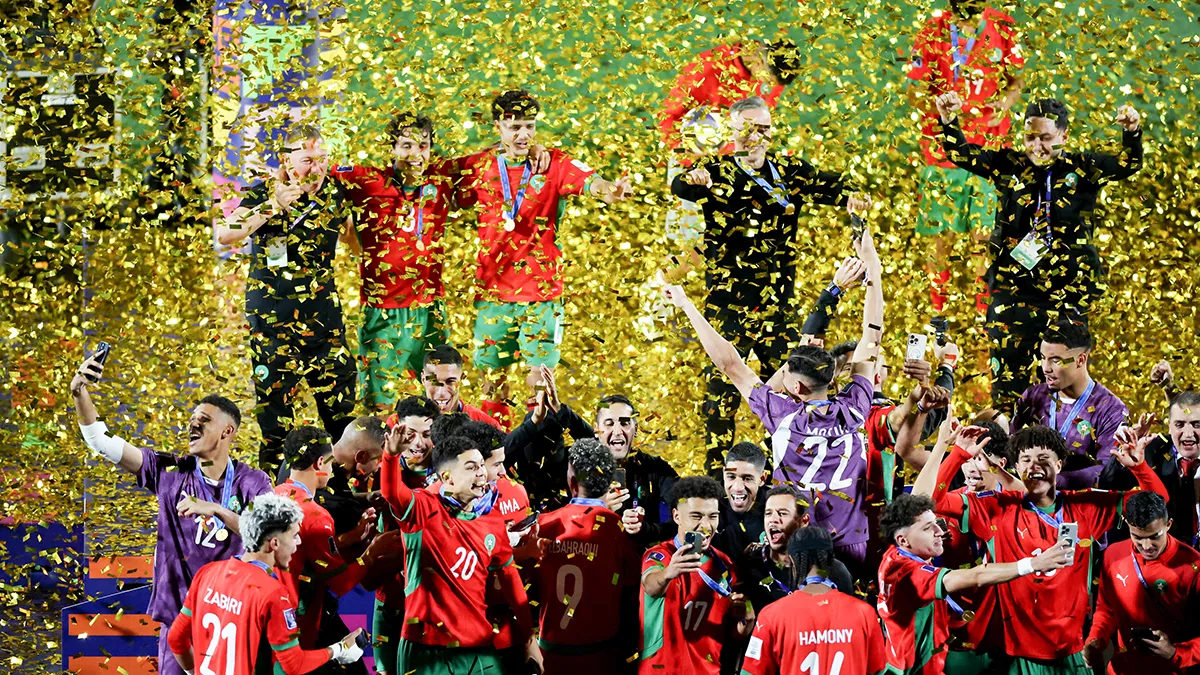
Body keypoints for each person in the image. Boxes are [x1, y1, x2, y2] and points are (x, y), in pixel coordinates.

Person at [662, 228, 883, 577]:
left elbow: (730, 364)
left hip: (796, 543)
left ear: (795, 386)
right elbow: (872, 334)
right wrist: (872, 264)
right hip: (852, 543)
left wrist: (687, 304)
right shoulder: (856, 404)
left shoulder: (783, 415)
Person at [669, 96, 869, 471]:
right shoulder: (716, 169)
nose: (755, 136)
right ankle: (718, 481)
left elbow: (835, 186)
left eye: (763, 128)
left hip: (779, 307)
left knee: (792, 394)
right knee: (720, 398)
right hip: (727, 305)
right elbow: (684, 185)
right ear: (731, 132)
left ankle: (784, 474)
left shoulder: (790, 171)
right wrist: (692, 180)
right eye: (747, 127)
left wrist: (853, 196)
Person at [933, 91, 1143, 406]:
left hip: (1067, 293)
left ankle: (1063, 446)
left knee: (1066, 384)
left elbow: (1127, 164)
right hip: (1013, 292)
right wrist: (948, 120)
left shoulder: (1082, 167)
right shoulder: (1008, 164)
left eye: (1045, 138)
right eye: (1030, 137)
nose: (1036, 146)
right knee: (1009, 382)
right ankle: (1008, 446)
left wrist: (1131, 132)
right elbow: (963, 154)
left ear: (1064, 135)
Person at [70, 351, 272, 675]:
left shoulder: (253, 481)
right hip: (181, 621)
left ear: (227, 432)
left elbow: (267, 536)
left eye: (204, 419)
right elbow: (101, 442)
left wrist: (217, 510)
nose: (193, 423)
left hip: (233, 619)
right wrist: (80, 391)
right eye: (192, 419)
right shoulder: (170, 471)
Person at [929, 425, 1169, 673]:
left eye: (1043, 459)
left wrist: (1139, 468)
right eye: (1026, 460)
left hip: (1072, 654)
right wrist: (957, 454)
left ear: (1058, 465)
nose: (1034, 466)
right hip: (1017, 658)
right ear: (1018, 468)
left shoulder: (1086, 506)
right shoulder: (996, 508)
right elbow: (931, 501)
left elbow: (1157, 505)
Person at [458, 89, 632, 422]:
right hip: (492, 294)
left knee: (539, 383)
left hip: (541, 294)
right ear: (498, 126)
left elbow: (593, 183)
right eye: (515, 127)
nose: (523, 135)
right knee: (491, 385)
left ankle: (533, 455)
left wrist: (611, 191)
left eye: (529, 126)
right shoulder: (478, 166)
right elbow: (432, 179)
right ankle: (497, 453)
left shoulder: (554, 163)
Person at [216, 124, 357, 474]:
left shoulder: (336, 194)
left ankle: (342, 497)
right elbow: (226, 233)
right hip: (274, 328)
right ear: (286, 160)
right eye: (308, 160)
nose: (317, 168)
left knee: (340, 416)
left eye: (323, 160)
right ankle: (274, 496)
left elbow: (355, 239)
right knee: (276, 424)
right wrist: (271, 206)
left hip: (324, 323)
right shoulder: (263, 192)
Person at [378, 434, 540, 674]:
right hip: (427, 648)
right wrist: (391, 456)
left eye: (481, 466)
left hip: (479, 647)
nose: (481, 473)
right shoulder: (423, 509)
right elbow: (392, 492)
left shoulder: (492, 522)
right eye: (471, 467)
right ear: (448, 479)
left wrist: (529, 638)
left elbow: (510, 579)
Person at [906, 0, 1025, 312]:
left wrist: (1004, 103)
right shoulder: (932, 29)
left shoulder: (1004, 25)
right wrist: (940, 109)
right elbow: (913, 91)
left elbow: (1018, 80)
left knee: (983, 238)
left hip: (989, 149)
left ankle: (984, 315)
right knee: (939, 238)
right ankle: (939, 310)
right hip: (942, 150)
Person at [167, 493, 365, 674]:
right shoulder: (273, 593)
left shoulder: (206, 573)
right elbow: (293, 665)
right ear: (275, 543)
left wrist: (193, 672)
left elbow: (176, 638)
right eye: (295, 535)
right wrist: (340, 649)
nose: (298, 543)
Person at [334, 113, 453, 411]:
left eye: (423, 146)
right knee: (378, 402)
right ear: (391, 148)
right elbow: (318, 172)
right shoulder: (366, 180)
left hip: (430, 309)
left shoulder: (442, 179)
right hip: (383, 311)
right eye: (406, 145)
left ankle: (437, 455)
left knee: (440, 397)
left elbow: (489, 162)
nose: (416, 154)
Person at [877, 492, 1071, 675]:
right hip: (918, 670)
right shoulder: (909, 574)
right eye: (928, 528)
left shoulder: (894, 555)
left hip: (905, 662)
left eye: (936, 523)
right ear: (903, 540)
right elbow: (977, 575)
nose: (939, 532)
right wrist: (1033, 563)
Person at [273, 426, 391, 664]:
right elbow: (340, 583)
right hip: (297, 625)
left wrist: (351, 537)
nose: (331, 468)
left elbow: (305, 550)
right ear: (319, 463)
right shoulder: (316, 515)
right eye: (329, 463)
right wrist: (372, 551)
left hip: (268, 620)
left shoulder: (273, 496)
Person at [911, 420, 1019, 675]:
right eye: (967, 460)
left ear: (1000, 463)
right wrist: (955, 453)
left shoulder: (1014, 502)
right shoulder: (954, 503)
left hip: (1009, 629)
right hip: (960, 628)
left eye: (979, 459)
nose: (970, 468)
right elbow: (921, 502)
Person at [534, 439, 641, 674]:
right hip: (601, 653)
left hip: (551, 650)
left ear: (571, 482)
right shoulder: (617, 529)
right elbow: (633, 583)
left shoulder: (544, 524)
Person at [639, 476, 754, 675]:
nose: (707, 526)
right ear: (676, 516)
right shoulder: (660, 555)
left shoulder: (726, 566)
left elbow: (731, 632)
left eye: (713, 516)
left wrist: (747, 621)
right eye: (696, 516)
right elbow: (650, 584)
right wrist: (668, 573)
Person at [740, 527, 889, 675]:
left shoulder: (771, 616)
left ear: (792, 561)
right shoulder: (865, 614)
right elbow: (879, 671)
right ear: (831, 561)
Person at [1084, 491, 1200, 675]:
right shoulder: (1113, 555)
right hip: (1122, 668)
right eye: (1137, 537)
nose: (1146, 546)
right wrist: (1096, 638)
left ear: (1168, 524)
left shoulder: (1194, 566)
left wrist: (1176, 653)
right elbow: (1107, 609)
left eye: (1154, 536)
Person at [1012, 321, 1128, 489]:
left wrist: (1054, 480)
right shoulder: (1033, 397)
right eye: (1043, 358)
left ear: (1080, 360)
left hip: (1081, 507)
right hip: (1028, 504)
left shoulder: (1111, 409)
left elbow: (1107, 471)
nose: (1045, 368)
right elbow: (1010, 449)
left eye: (1055, 360)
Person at [658, 39, 798, 148]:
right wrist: (687, 154)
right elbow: (667, 118)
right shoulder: (705, 71)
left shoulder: (774, 74)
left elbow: (765, 116)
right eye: (767, 80)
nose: (768, 87)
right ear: (758, 59)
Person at [1100, 391, 1200, 545]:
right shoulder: (1149, 449)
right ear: (1169, 426)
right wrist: (1125, 452)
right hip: (1160, 553)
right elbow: (1108, 484)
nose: (1188, 434)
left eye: (1197, 424)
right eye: (1179, 424)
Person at [739, 485, 855, 612]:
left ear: (804, 521)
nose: (773, 520)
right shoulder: (748, 567)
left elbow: (847, 619)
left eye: (782, 513)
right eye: (768, 513)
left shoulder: (832, 570)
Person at [276, 414, 386, 535]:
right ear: (361, 456)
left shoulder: (305, 454)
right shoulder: (345, 511)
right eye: (380, 460)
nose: (381, 467)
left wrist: (365, 497)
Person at [596, 394, 681, 547]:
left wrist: (645, 529)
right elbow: (562, 521)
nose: (617, 431)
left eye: (625, 423)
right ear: (597, 430)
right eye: (609, 423)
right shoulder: (580, 468)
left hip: (641, 564)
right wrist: (598, 508)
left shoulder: (656, 468)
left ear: (635, 429)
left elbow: (685, 513)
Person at [419, 344, 506, 429]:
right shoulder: (409, 426)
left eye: (450, 382)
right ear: (423, 379)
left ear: (462, 379)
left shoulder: (486, 426)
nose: (441, 392)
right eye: (434, 382)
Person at [711, 442, 769, 560]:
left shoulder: (777, 509)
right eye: (731, 477)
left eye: (747, 478)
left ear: (762, 479)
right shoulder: (709, 505)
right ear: (723, 474)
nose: (737, 487)